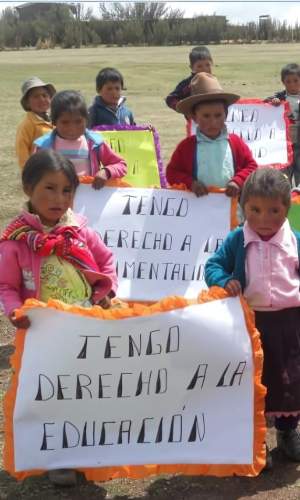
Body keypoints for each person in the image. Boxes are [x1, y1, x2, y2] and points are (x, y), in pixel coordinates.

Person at [0, 149, 118, 485]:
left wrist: (104, 293)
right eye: (49, 188)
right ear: (28, 189)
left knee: (86, 390)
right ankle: (58, 456)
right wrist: (15, 310)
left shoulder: (79, 232)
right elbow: (6, 286)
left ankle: (87, 448)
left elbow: (106, 262)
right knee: (53, 394)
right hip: (44, 335)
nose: (59, 198)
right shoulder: (16, 243)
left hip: (84, 327)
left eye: (67, 190)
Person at [205, 168, 300, 466]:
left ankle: (287, 434)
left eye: (274, 210)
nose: (264, 218)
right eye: (255, 210)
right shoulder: (237, 239)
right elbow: (213, 266)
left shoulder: (294, 239)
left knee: (289, 382)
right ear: (244, 207)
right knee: (254, 384)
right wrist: (223, 280)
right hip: (251, 325)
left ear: (287, 208)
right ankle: (255, 443)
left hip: (290, 324)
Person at [166, 72, 257, 197]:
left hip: (231, 209)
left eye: (218, 115)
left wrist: (237, 181)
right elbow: (172, 172)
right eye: (206, 116)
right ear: (194, 117)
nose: (213, 122)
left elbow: (251, 166)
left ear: (226, 114)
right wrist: (191, 183)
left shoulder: (235, 142)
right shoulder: (186, 147)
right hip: (197, 209)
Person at [34, 90, 127, 189]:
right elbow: (33, 176)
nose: (72, 128)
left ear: (86, 119)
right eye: (65, 122)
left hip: (88, 199)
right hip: (56, 201)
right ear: (54, 121)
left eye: (78, 121)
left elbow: (120, 164)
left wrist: (106, 172)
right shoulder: (43, 147)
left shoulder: (95, 143)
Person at [265, 63, 300, 185]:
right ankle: (286, 199)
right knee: (285, 175)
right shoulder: (280, 97)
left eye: (296, 81)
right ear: (283, 82)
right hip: (285, 145)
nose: (292, 84)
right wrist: (273, 101)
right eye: (288, 81)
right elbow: (264, 104)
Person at [16, 76, 56, 168]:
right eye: (36, 96)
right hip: (38, 171)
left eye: (45, 95)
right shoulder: (27, 125)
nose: (42, 99)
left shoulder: (54, 119)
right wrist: (28, 176)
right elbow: (22, 153)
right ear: (27, 103)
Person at [165, 46, 213, 112]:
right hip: (194, 120)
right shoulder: (187, 84)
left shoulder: (213, 81)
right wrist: (183, 108)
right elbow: (170, 99)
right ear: (192, 68)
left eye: (207, 65)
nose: (204, 69)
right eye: (199, 66)